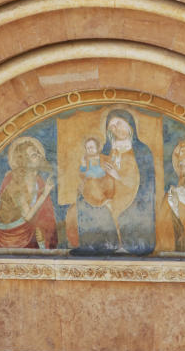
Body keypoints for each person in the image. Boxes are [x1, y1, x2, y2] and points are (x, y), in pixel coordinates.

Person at [66, 108, 156, 254]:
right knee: (83, 200)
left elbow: (146, 184)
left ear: (129, 125)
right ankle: (95, 245)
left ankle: (130, 245)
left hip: (133, 195)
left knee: (126, 210)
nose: (116, 129)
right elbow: (94, 172)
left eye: (119, 124)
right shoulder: (107, 151)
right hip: (107, 192)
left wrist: (117, 176)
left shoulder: (141, 151)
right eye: (112, 127)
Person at [0, 135, 58, 250]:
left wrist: (43, 233)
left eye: (38, 153)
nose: (40, 156)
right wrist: (45, 193)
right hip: (8, 240)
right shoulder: (15, 182)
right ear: (25, 162)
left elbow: (46, 216)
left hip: (30, 237)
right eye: (34, 155)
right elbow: (28, 216)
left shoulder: (39, 182)